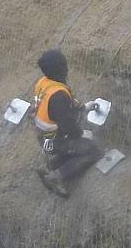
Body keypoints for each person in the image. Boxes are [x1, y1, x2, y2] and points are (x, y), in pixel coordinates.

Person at [31, 49, 95, 195]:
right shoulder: (59, 95)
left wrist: (84, 107)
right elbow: (66, 125)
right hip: (55, 141)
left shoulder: (45, 83)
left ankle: (48, 167)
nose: (67, 68)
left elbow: (67, 102)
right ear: (61, 69)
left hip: (45, 138)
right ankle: (57, 176)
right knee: (92, 150)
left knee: (72, 148)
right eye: (65, 65)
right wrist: (82, 134)